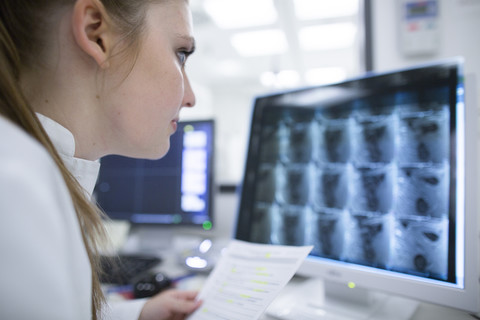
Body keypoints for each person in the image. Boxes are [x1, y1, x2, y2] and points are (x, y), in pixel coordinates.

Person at [0, 0, 202, 319]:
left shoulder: (32, 173)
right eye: (180, 53)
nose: (190, 96)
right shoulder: (14, 189)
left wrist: (137, 313)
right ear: (96, 33)